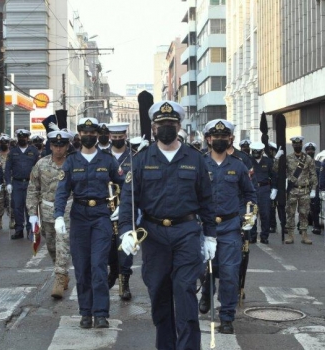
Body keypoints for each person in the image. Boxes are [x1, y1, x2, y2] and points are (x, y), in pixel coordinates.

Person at [118, 100, 216, 350]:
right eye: (161, 124)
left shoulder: (195, 158)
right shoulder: (141, 159)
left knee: (184, 291)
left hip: (186, 233)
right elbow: (130, 199)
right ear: (153, 128)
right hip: (154, 235)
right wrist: (127, 231)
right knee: (159, 294)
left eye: (171, 124)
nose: (166, 128)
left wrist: (210, 236)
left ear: (179, 126)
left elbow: (206, 199)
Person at [54, 117, 125, 329]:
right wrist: (58, 215)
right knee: (83, 267)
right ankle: (85, 312)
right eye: (84, 133)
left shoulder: (107, 159)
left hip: (102, 216)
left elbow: (124, 183)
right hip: (79, 216)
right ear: (79, 135)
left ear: (97, 135)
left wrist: (122, 207)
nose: (88, 136)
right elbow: (62, 190)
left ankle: (101, 313)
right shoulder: (72, 161)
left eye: (92, 133)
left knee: (99, 266)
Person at [198, 119, 256, 334]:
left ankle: (227, 316)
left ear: (230, 139)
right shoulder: (199, 164)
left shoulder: (238, 166)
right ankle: (206, 292)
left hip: (231, 227)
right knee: (206, 270)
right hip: (205, 227)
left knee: (230, 273)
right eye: (216, 137)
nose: (220, 140)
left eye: (224, 137)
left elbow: (249, 194)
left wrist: (247, 216)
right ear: (208, 139)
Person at [27, 130, 74, 299]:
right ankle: (61, 271)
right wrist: (32, 214)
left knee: (63, 244)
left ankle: (60, 278)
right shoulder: (41, 164)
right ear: (51, 146)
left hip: (68, 210)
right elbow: (33, 189)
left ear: (67, 146)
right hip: (46, 211)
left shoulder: (73, 163)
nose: (58, 149)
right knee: (52, 246)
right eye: (55, 145)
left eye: (62, 146)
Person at [102, 122, 136, 301]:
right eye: (114, 137)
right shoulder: (103, 156)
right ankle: (113, 271)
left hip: (126, 208)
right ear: (109, 137)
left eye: (120, 136)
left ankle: (124, 281)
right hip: (105, 209)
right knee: (108, 245)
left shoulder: (134, 156)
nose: (117, 139)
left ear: (125, 136)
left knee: (125, 247)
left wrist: (126, 205)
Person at [274, 136, 317, 244]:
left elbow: (313, 175)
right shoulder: (287, 158)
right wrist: (277, 158)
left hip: (304, 191)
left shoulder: (308, 159)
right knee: (290, 213)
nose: (297, 145)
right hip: (292, 190)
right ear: (292, 145)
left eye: (299, 144)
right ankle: (290, 235)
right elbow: (276, 169)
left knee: (304, 213)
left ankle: (304, 235)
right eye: (295, 144)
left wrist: (314, 189)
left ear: (302, 145)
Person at [6, 130, 41, 239]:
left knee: (30, 207)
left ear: (27, 138)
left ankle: (30, 230)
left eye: (24, 137)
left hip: (30, 183)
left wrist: (38, 184)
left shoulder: (33, 151)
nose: (22, 139)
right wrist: (8, 183)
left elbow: (38, 168)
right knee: (17, 207)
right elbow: (7, 168)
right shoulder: (12, 151)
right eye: (20, 137)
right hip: (17, 183)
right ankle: (19, 230)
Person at [249, 141, 276, 244]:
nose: (255, 153)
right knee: (252, 214)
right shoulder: (248, 161)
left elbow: (274, 176)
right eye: (254, 151)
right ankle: (252, 235)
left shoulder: (268, 161)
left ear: (262, 151)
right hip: (252, 189)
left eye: (258, 151)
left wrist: (274, 189)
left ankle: (264, 236)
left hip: (265, 189)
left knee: (265, 214)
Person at [304, 142, 323, 235]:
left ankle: (316, 226)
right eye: (308, 150)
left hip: (315, 189)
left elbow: (322, 177)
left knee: (315, 208)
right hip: (304, 188)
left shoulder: (319, 164)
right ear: (306, 151)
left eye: (312, 150)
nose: (310, 151)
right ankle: (301, 225)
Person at [0, 134, 12, 231]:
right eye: (2, 143)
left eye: (5, 143)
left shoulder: (12, 154)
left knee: (11, 201)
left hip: (10, 181)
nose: (4, 144)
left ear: (9, 143)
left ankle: (12, 220)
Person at [266, 141, 281, 234]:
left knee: (281, 207)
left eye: (271, 150)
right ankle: (272, 225)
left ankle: (284, 225)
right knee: (271, 207)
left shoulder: (278, 160)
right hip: (270, 186)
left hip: (279, 186)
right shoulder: (268, 160)